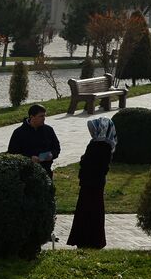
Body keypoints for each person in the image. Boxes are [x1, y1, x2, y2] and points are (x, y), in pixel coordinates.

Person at [66, 117, 115, 249]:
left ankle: (88, 239)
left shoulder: (100, 145)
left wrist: (83, 160)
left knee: (89, 211)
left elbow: (90, 164)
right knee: (91, 210)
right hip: (94, 183)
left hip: (91, 183)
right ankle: (89, 239)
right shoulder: (103, 144)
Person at [8, 104, 62, 175]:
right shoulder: (19, 132)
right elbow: (12, 152)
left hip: (46, 170)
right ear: (32, 117)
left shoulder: (48, 130)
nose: (44, 118)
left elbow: (56, 148)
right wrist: (29, 158)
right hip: (26, 172)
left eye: (44, 116)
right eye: (41, 116)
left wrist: (52, 155)